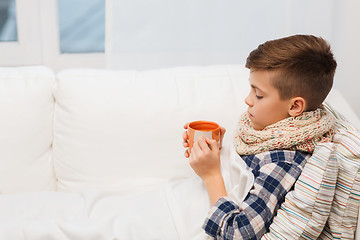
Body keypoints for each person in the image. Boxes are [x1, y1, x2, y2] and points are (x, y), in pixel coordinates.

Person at [182, 34, 337, 239]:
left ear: (295, 106)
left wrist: (211, 174)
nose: (248, 100)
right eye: (251, 89)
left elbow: (237, 233)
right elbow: (243, 176)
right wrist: (219, 155)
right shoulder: (268, 133)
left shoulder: (283, 162)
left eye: (259, 95)